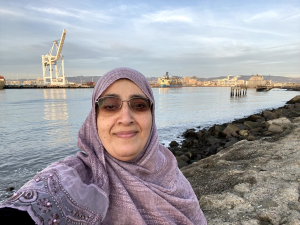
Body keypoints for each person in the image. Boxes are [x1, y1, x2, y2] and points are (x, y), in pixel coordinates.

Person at [0, 68, 207, 224]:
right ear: (94, 119)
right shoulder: (71, 178)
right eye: (110, 106)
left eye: (139, 105)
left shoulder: (170, 173)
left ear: (152, 117)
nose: (125, 118)